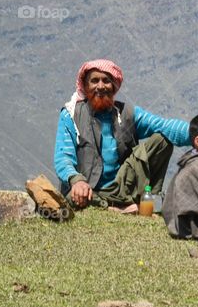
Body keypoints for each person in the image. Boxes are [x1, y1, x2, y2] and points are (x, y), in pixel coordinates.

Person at [53, 59, 190, 212]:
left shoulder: (127, 113)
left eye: (106, 81)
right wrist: (76, 180)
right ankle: (112, 208)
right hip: (87, 189)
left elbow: (164, 126)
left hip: (122, 188)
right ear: (85, 86)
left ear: (114, 86)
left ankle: (129, 202)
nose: (100, 86)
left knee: (163, 140)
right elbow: (63, 157)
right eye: (94, 81)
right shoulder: (71, 115)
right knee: (73, 197)